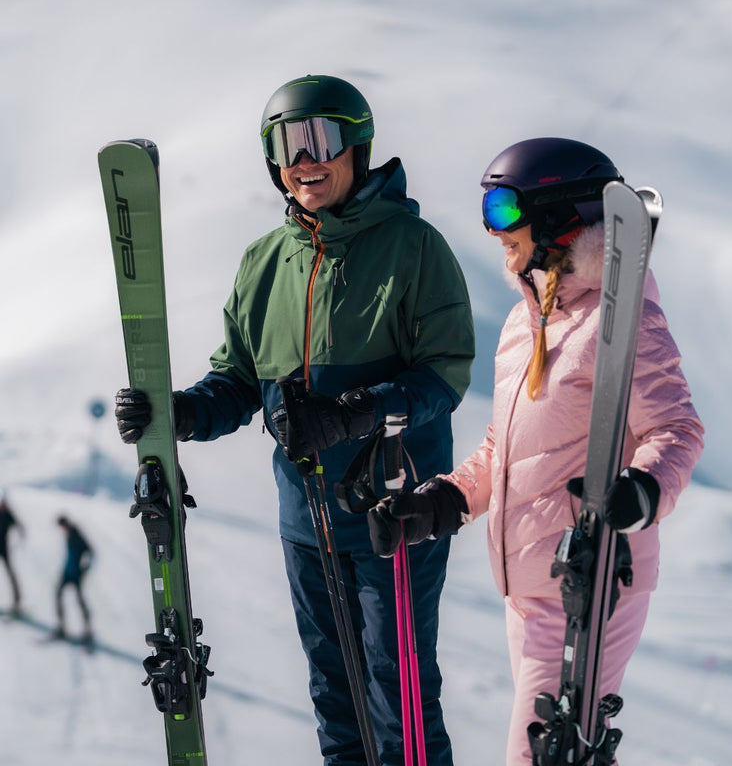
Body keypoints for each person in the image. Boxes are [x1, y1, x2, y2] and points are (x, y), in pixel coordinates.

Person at [115, 74, 474, 766]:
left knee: (396, 691)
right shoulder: (265, 262)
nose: (304, 159)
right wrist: (179, 412)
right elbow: (237, 381)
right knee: (333, 696)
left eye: (320, 139)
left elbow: (444, 374)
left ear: (357, 146)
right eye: (286, 145)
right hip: (305, 520)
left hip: (391, 512)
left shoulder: (413, 247)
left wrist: (354, 414)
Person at [369, 138, 705, 765]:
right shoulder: (527, 323)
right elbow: (504, 449)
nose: (493, 230)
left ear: (557, 216)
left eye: (504, 209)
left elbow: (677, 429)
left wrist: (642, 491)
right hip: (529, 583)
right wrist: (443, 502)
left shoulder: (621, 321)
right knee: (559, 753)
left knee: (538, 755)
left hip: (593, 579)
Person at [55, 515, 94, 641]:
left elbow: (90, 551)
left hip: (76, 574)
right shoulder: (69, 534)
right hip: (67, 572)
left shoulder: (76, 535)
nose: (62, 529)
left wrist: (84, 568)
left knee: (79, 600)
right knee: (58, 595)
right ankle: (61, 626)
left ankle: (88, 629)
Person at [0, 492, 24, 614]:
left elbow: (20, 527)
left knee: (11, 574)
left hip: (4, 549)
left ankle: (17, 601)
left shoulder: (9, 515)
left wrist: (21, 536)